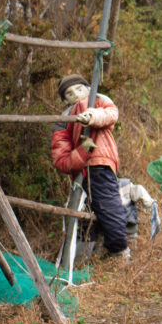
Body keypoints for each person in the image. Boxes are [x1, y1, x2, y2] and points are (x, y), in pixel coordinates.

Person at [51, 73, 130, 261]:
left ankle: (118, 252)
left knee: (108, 207)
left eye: (79, 89)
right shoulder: (64, 120)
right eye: (69, 94)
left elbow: (110, 114)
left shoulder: (98, 101)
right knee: (91, 214)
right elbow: (61, 160)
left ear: (88, 88)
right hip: (82, 173)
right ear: (64, 100)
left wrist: (91, 116)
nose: (76, 95)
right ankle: (95, 255)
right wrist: (84, 150)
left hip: (101, 164)